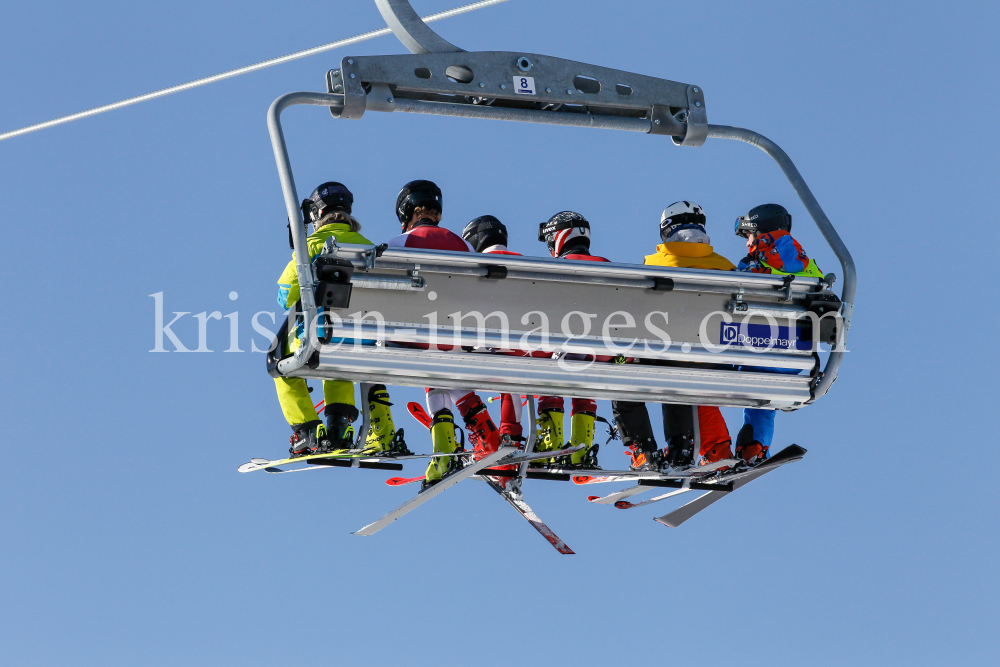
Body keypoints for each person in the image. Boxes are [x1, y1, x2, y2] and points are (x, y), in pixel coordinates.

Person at [386, 182, 502, 490]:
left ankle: (444, 452)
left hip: (420, 336)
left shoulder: (401, 241)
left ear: (407, 213)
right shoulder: (461, 244)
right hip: (460, 335)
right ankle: (486, 437)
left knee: (432, 365)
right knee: (448, 366)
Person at [275, 182, 397, 457]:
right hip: (363, 341)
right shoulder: (369, 248)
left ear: (317, 215)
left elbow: (285, 295)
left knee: (280, 363)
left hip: (321, 337)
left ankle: (307, 430)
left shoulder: (313, 245)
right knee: (338, 361)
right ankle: (339, 428)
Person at [613, 201, 736, 470]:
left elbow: (637, 315)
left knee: (624, 374)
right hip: (714, 358)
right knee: (680, 378)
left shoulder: (655, 262)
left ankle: (643, 448)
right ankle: (681, 447)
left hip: (668, 355)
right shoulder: (726, 267)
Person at [733, 203, 823, 464]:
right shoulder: (806, 264)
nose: (747, 242)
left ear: (759, 231)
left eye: (748, 235)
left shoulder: (766, 255)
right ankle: (755, 447)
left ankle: (714, 445)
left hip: (760, 347)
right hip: (796, 355)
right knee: (761, 398)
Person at [531, 211, 609, 468]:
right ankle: (581, 449)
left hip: (564, 353)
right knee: (580, 362)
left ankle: (549, 442)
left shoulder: (552, 270)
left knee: (551, 363)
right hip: (604, 355)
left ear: (558, 238)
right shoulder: (608, 266)